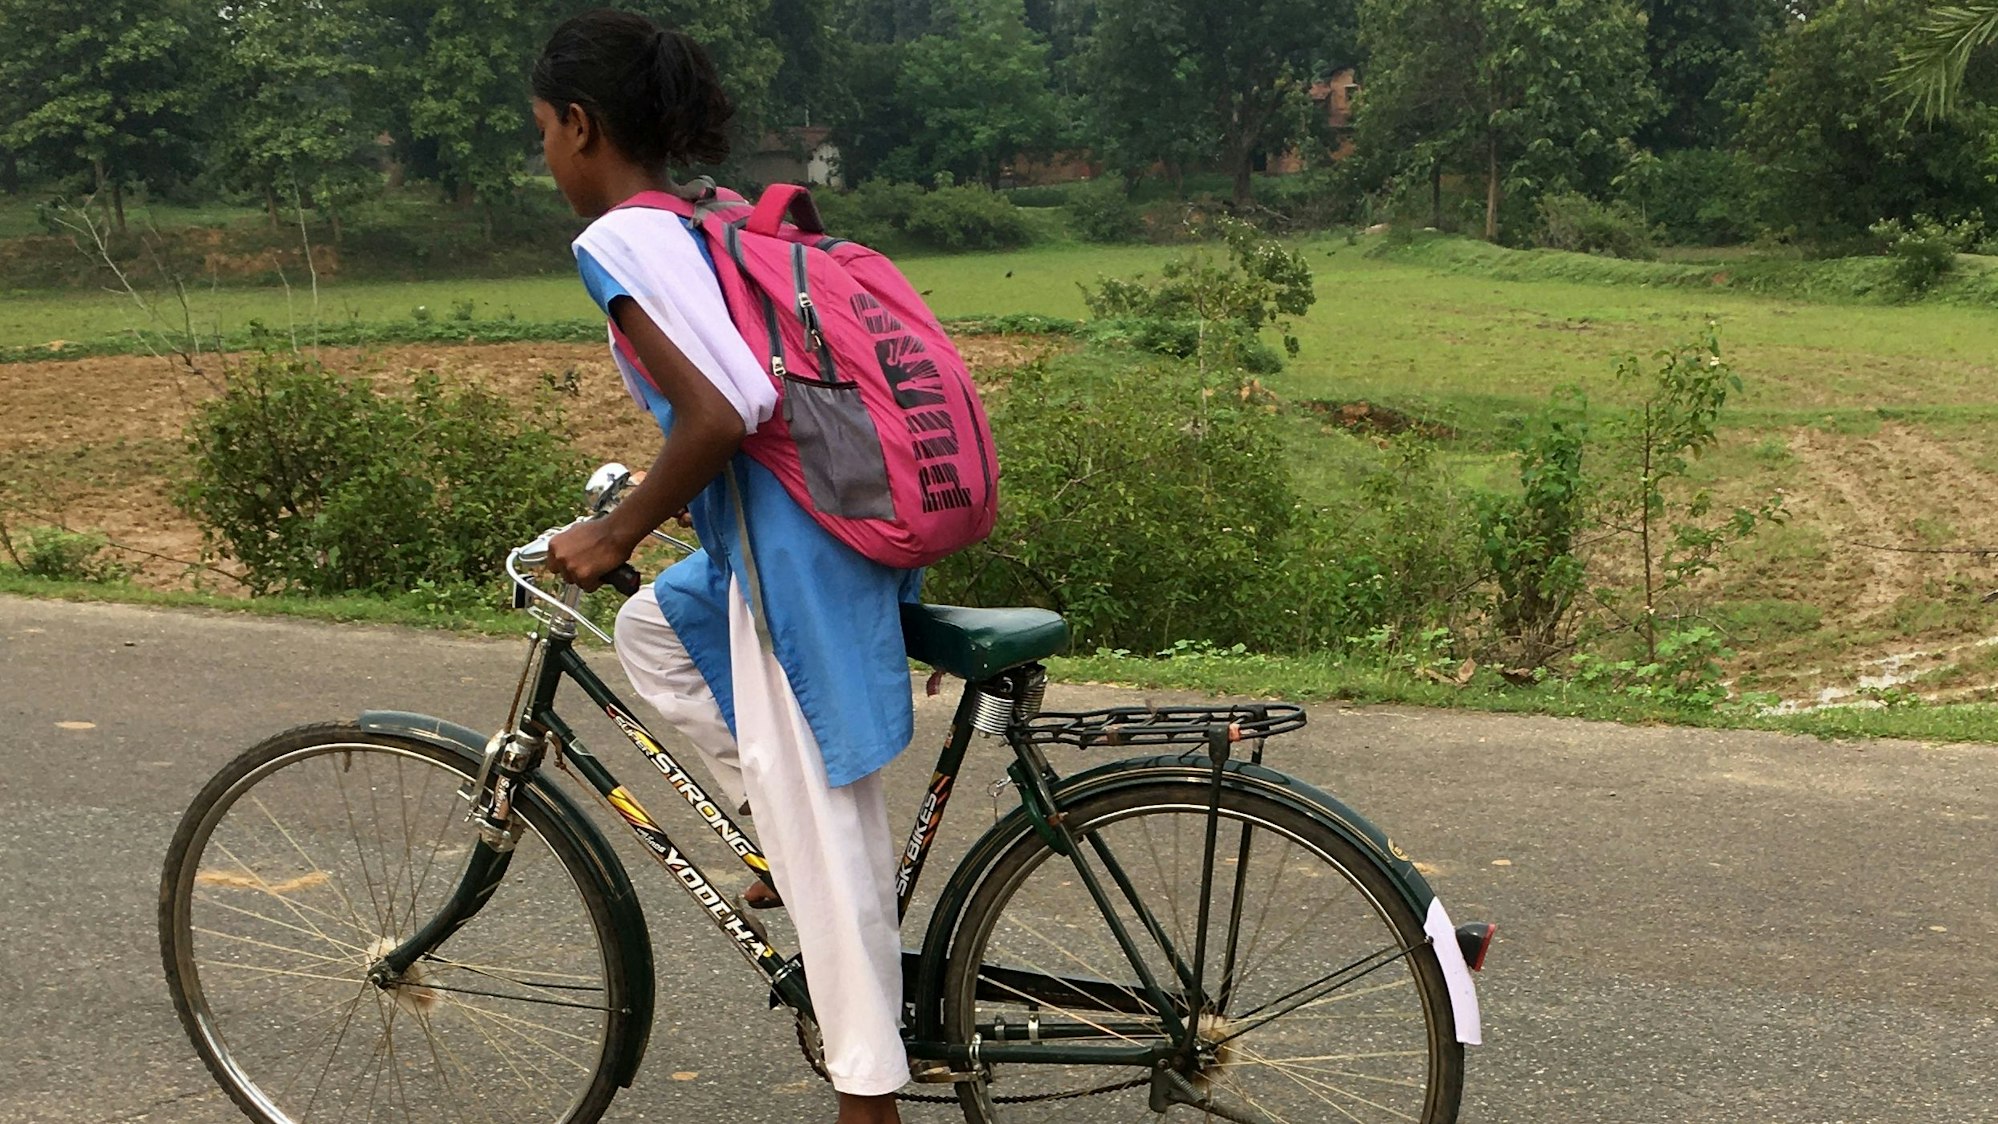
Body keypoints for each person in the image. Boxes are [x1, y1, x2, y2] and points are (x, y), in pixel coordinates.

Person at [531, 11, 917, 1124]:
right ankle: (781, 848)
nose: (546, 155)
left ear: (582, 125)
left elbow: (726, 407)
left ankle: (868, 1096)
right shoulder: (706, 217)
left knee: (825, 825)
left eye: (545, 131)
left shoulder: (617, 241)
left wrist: (613, 531)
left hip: (795, 553)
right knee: (655, 630)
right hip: (827, 528)